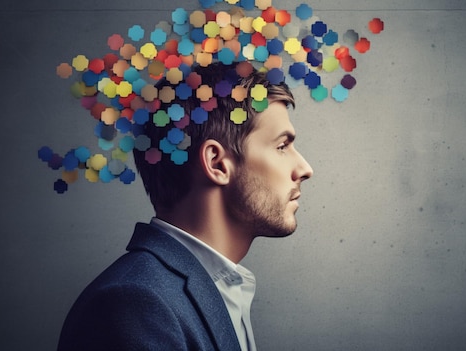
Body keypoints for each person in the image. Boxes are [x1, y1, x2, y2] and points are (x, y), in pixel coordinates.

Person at [57, 62, 313, 351]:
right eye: (282, 146)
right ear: (217, 163)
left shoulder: (217, 288)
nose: (304, 168)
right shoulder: (135, 305)